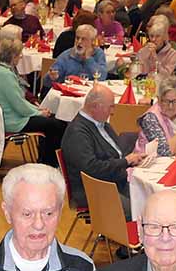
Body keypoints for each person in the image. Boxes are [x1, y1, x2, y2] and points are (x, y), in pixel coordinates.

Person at [59, 83, 146, 217]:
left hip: (113, 181)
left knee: (149, 202)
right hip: (94, 190)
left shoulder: (101, 124)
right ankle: (123, 235)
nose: (113, 111)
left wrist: (131, 159)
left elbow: (114, 153)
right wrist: (125, 161)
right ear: (95, 107)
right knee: (139, 212)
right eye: (110, 106)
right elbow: (91, 168)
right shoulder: (78, 132)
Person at [0, 38, 66, 167]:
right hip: (12, 120)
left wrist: (39, 110)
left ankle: (44, 160)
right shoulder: (5, 75)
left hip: (7, 115)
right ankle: (48, 164)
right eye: (19, 54)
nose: (21, 57)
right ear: (12, 56)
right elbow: (19, 105)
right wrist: (39, 113)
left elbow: (19, 101)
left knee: (51, 121)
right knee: (56, 125)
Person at [136, 76, 176, 157]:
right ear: (159, 100)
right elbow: (165, 152)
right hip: (152, 165)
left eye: (175, 101)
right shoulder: (150, 118)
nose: (170, 106)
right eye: (166, 101)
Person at [45, 24, 106, 89]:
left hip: (91, 94)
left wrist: (88, 59)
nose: (79, 42)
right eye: (77, 38)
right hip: (69, 94)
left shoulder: (98, 54)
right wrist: (52, 77)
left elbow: (102, 77)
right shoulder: (66, 55)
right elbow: (46, 82)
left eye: (83, 39)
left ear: (92, 41)